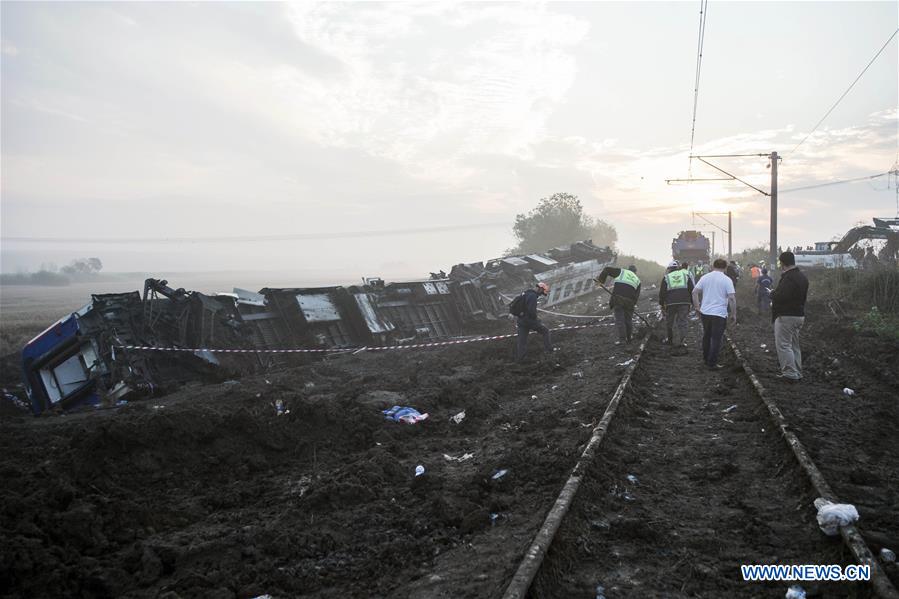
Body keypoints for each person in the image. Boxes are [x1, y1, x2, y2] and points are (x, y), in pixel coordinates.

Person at [770, 251, 809, 381]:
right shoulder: (802, 277)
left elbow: (782, 296)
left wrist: (772, 294)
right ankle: (797, 372)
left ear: (782, 263)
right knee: (794, 345)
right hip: (799, 315)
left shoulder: (788, 278)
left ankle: (790, 374)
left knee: (784, 345)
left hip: (786, 316)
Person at [692, 258, 736, 369]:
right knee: (716, 338)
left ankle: (706, 359)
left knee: (706, 336)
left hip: (705, 312)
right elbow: (731, 298)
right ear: (725, 268)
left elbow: (694, 292)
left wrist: (697, 307)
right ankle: (712, 363)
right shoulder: (727, 280)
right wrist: (734, 314)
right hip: (719, 314)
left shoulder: (705, 277)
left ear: (712, 266)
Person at [596, 264, 641, 344]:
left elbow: (606, 269)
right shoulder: (637, 280)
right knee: (628, 321)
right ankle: (629, 339)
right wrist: (631, 305)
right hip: (629, 302)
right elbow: (636, 296)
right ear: (635, 272)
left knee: (620, 320)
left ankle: (622, 340)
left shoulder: (622, 272)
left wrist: (601, 281)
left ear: (628, 269)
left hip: (618, 299)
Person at [659, 260, 694, 353]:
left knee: (669, 322)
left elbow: (662, 292)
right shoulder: (685, 276)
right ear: (678, 268)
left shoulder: (666, 277)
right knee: (683, 321)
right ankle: (682, 341)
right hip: (684, 302)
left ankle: (670, 340)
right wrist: (692, 303)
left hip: (671, 303)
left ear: (669, 269)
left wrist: (662, 304)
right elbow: (692, 289)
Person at [515, 282, 553, 361]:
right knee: (545, 331)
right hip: (529, 320)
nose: (541, 295)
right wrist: (537, 320)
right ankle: (549, 351)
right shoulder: (533, 296)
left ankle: (521, 358)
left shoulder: (526, 293)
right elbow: (531, 311)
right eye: (542, 293)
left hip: (521, 320)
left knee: (522, 340)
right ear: (540, 289)